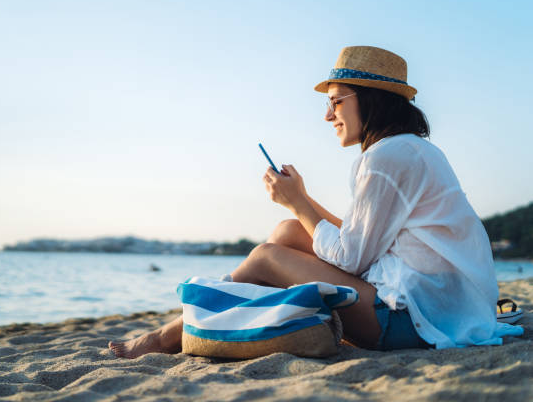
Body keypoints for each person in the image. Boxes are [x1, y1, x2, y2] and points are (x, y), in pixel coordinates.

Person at [109, 45, 515, 357]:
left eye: (337, 101)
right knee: (288, 230)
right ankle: (217, 320)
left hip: (417, 323)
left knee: (267, 256)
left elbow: (354, 259)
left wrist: (297, 203)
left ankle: (167, 335)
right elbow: (366, 242)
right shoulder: (411, 150)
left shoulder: (385, 158)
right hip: (447, 308)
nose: (328, 115)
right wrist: (299, 202)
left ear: (372, 99)